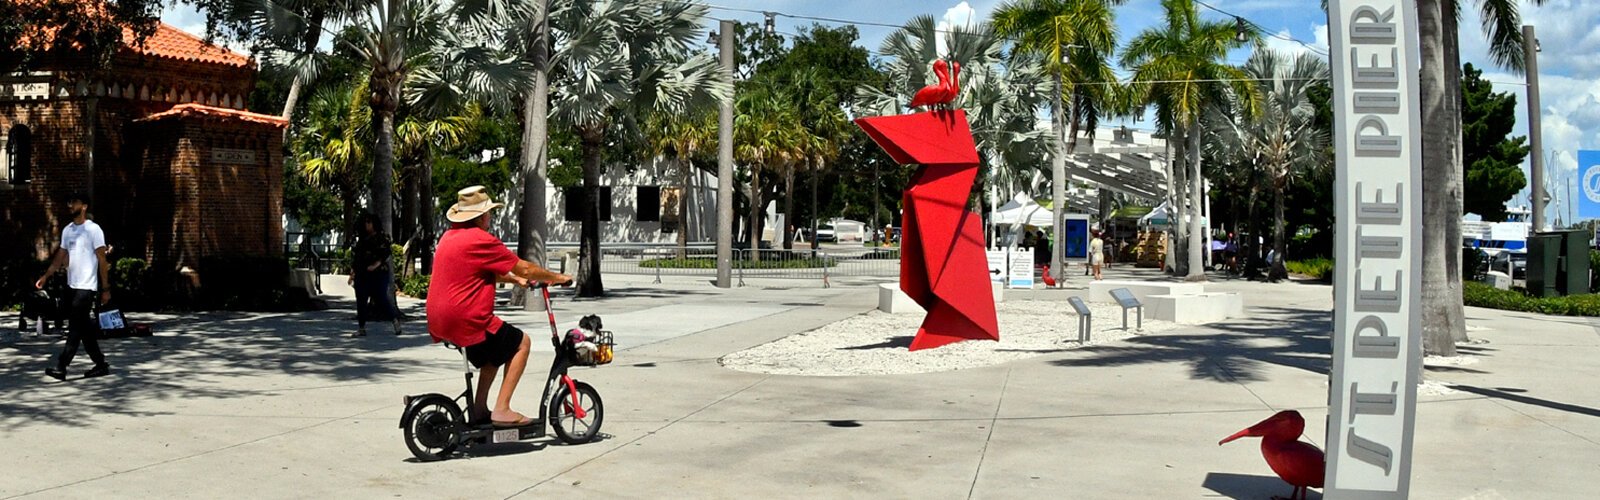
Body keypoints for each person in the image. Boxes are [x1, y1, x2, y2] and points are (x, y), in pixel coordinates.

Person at [427, 186, 573, 427]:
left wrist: (513, 280)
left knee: (492, 356)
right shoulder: (481, 239)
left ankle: (479, 408)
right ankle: (503, 409)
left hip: (440, 319)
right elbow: (524, 267)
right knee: (521, 343)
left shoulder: (449, 237)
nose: (491, 218)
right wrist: (556, 277)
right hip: (466, 318)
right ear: (482, 217)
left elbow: (474, 273)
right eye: (489, 214)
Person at [37, 193, 111, 381]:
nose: (70, 205)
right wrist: (46, 276)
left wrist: (105, 289)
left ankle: (62, 367)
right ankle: (100, 364)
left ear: (84, 206)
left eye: (74, 202)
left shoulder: (94, 230)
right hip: (72, 286)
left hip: (87, 287)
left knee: (75, 328)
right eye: (69, 202)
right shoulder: (68, 230)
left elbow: (102, 260)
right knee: (84, 328)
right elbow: (60, 256)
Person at [350, 213, 402, 337]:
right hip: (362, 273)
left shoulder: (382, 237)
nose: (367, 225)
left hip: (378, 273)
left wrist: (376, 264)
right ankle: (361, 328)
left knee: (381, 298)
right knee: (361, 300)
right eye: (365, 222)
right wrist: (352, 272)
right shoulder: (362, 239)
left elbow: (385, 253)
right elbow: (357, 257)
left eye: (369, 222)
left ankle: (394, 321)